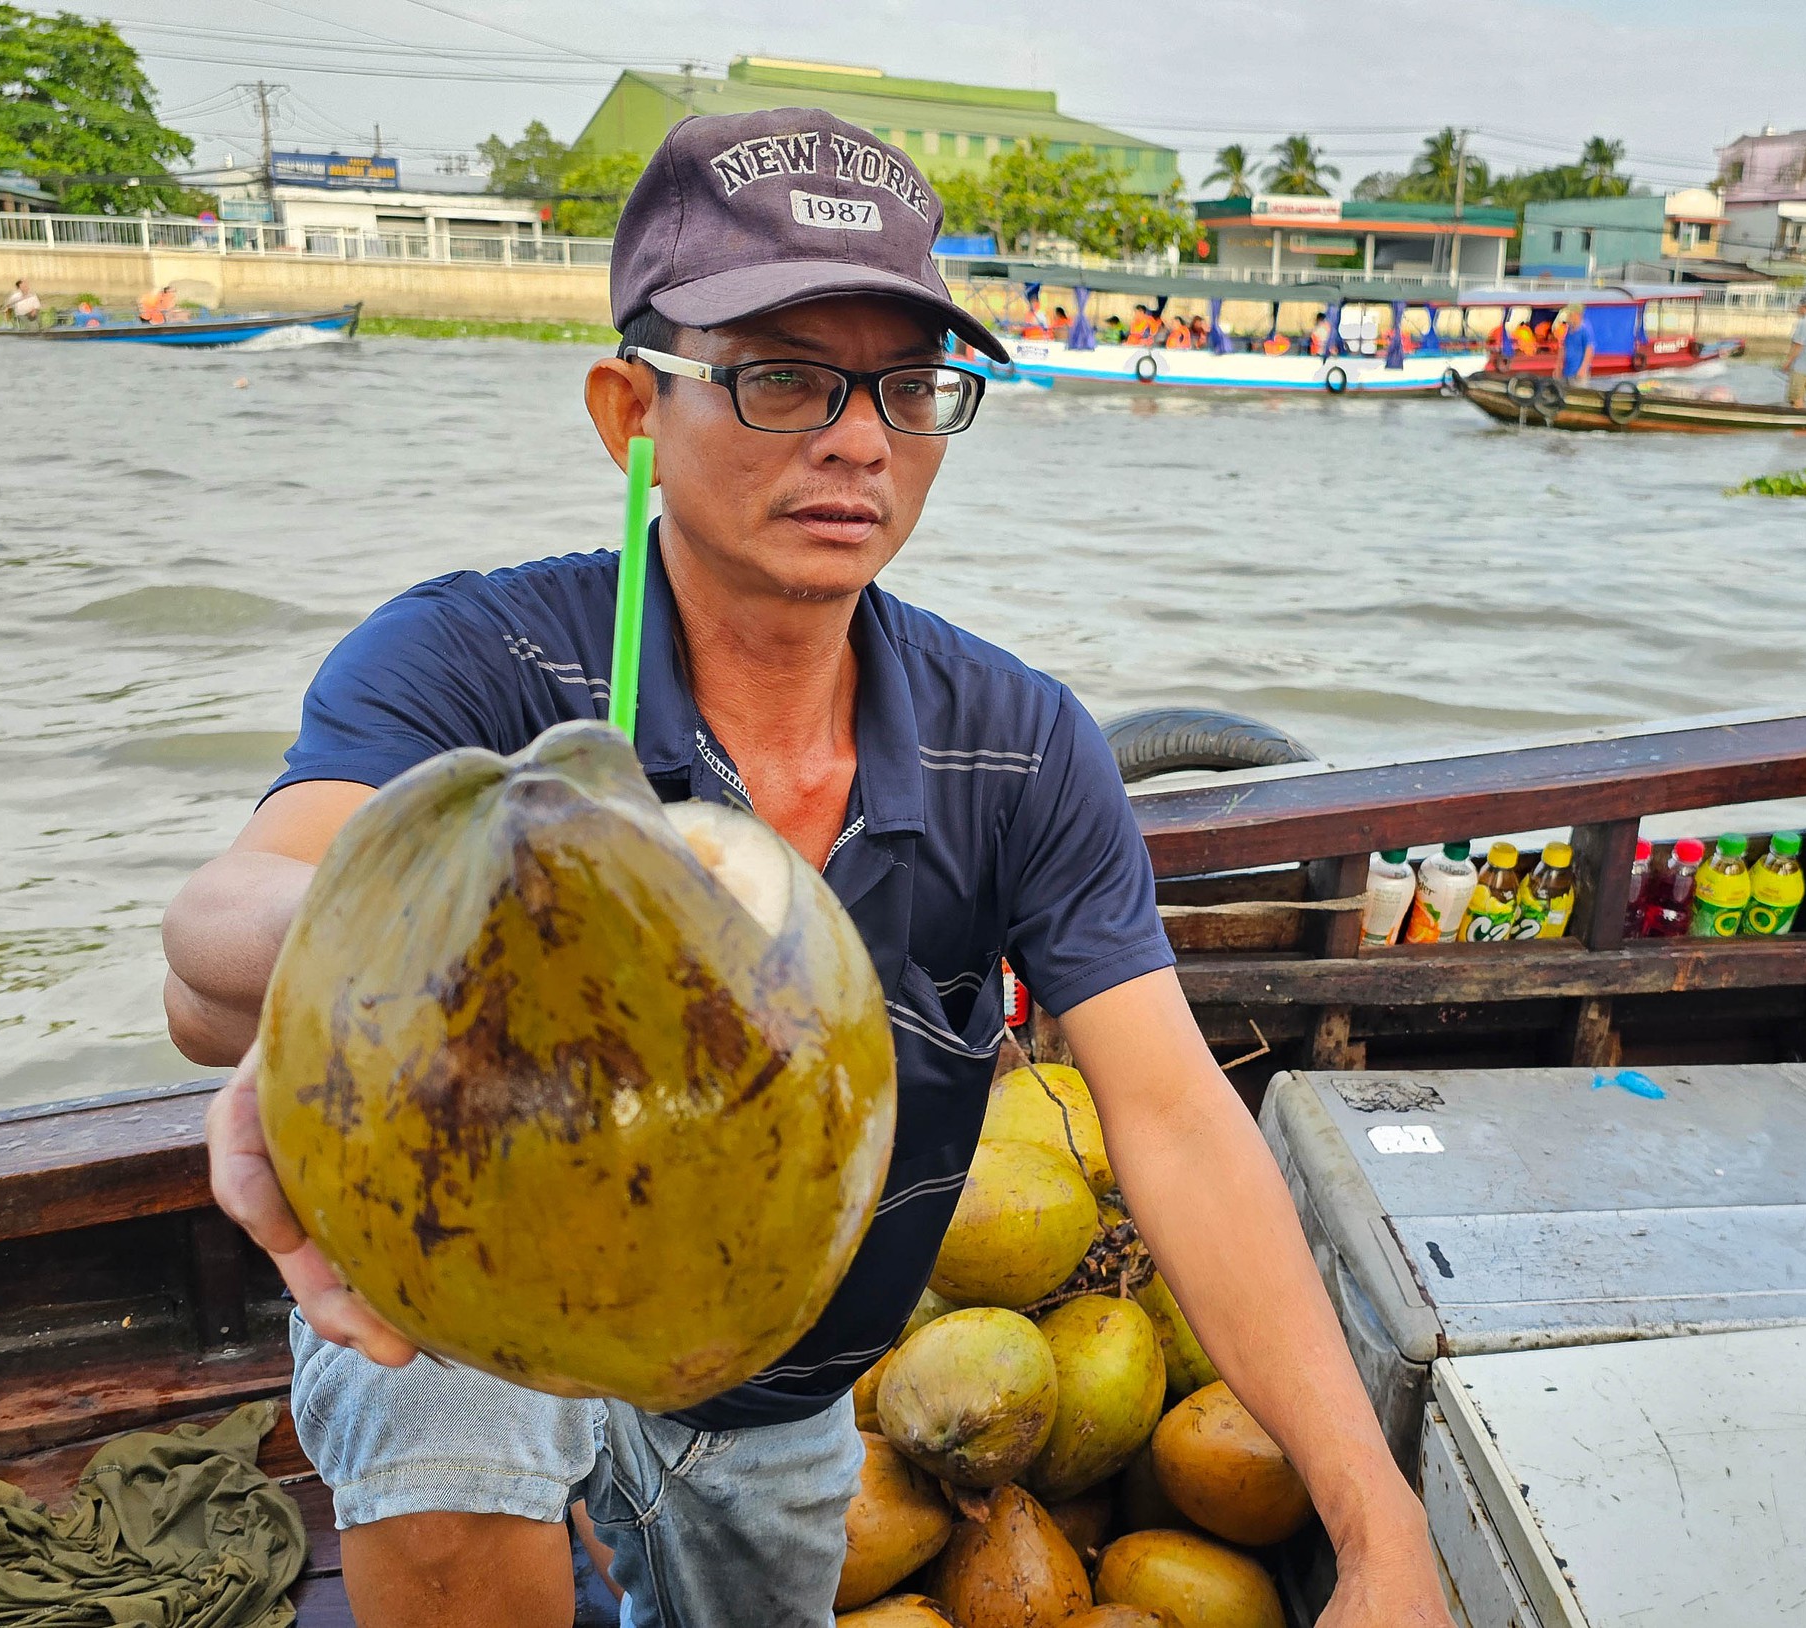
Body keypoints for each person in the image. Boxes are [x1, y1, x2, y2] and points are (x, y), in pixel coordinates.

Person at [163, 106, 1451, 1628]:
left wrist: (1381, 1535)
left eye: (909, 387)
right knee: (442, 1420)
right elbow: (218, 940)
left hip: (788, 1386)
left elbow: (1172, 1119)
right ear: (630, 411)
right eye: (782, 377)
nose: (859, 437)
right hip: (473, 1321)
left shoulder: (1020, 746)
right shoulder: (474, 660)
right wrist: (404, 929)